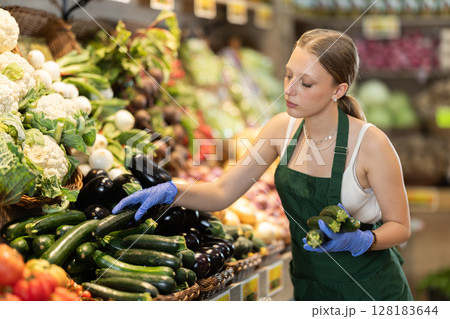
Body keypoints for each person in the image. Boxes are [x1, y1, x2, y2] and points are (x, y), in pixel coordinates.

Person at [112, 29, 413, 301]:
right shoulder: (282, 130)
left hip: (370, 290)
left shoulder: (370, 144)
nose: (289, 90)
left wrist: (361, 240)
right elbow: (222, 192)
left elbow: (400, 227)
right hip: (310, 286)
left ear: (338, 90)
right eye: (288, 75)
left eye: (306, 83)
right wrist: (172, 190)